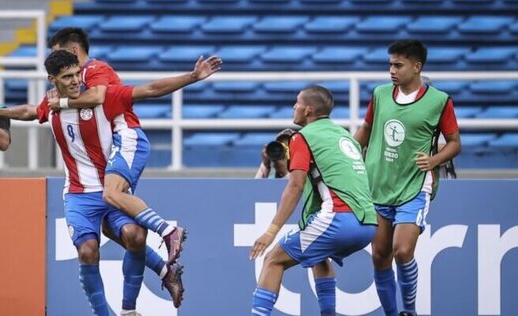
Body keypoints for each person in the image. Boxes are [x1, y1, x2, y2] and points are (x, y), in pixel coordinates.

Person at [0, 50, 152, 315]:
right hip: (78, 192)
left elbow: (150, 89)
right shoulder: (50, 103)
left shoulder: (101, 95)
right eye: (68, 77)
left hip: (111, 188)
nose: (76, 80)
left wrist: (193, 76)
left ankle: (131, 307)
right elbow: (29, 111)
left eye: (77, 73)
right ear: (52, 79)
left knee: (135, 235)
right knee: (88, 252)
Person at [45, 27, 221, 267]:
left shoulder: (96, 73)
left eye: (58, 54)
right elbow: (32, 111)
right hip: (111, 150)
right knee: (114, 228)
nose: (56, 62)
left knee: (111, 194)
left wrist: (191, 77)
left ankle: (168, 231)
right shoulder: (79, 85)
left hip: (126, 137)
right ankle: (161, 273)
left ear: (73, 51)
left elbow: (143, 91)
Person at [353, 40, 461, 316]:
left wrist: (435, 160)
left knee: (401, 251)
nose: (392, 70)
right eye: (390, 64)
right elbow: (365, 129)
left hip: (414, 186)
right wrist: (350, 157)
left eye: (398, 65)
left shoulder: (439, 101)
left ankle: (409, 311)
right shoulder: (379, 94)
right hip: (377, 185)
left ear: (417, 66)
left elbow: (454, 143)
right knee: (379, 256)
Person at [249, 86, 377, 316]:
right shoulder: (344, 135)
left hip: (339, 219)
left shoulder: (303, 137)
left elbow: (295, 186)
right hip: (368, 224)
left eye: (297, 103)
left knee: (272, 260)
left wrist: (271, 232)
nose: (293, 107)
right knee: (319, 257)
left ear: (308, 110)